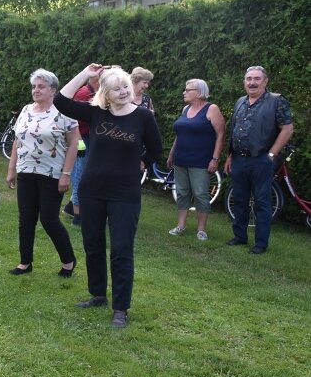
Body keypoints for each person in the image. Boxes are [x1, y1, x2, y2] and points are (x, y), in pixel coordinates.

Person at [56, 64, 162, 328]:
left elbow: (156, 148)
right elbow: (60, 100)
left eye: (126, 85)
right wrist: (84, 73)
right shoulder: (96, 113)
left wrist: (141, 163)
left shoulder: (142, 117)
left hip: (125, 193)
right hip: (92, 190)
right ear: (106, 92)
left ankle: (121, 308)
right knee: (93, 244)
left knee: (121, 249)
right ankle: (98, 294)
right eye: (117, 88)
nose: (124, 91)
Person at [6, 69, 78, 277]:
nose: (36, 90)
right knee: (26, 219)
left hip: (52, 174)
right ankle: (25, 263)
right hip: (26, 172)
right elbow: (18, 141)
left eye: (41, 86)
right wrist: (12, 169)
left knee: (49, 219)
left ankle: (68, 261)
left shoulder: (64, 112)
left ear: (53, 90)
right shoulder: (26, 110)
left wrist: (66, 174)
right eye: (34, 86)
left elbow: (74, 144)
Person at [224, 65, 294, 254]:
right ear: (244, 82)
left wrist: (271, 155)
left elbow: (287, 129)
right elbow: (235, 131)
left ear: (265, 81)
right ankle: (240, 236)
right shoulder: (240, 101)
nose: (252, 82)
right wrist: (230, 156)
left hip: (261, 160)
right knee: (239, 200)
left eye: (256, 79)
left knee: (262, 203)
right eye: (249, 79)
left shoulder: (276, 101)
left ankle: (260, 244)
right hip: (239, 160)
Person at [166, 79, 225, 240]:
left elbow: (221, 134)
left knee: (200, 194)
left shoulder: (211, 109)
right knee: (182, 193)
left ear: (198, 92)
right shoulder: (186, 109)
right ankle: (181, 225)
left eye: (187, 90)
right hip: (181, 160)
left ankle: (201, 230)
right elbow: (179, 135)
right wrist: (172, 154)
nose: (184, 92)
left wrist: (215, 158)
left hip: (200, 161)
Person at [63, 75, 99, 226]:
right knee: (80, 175)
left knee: (86, 174)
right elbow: (73, 120)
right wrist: (79, 143)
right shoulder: (84, 94)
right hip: (82, 139)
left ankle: (71, 207)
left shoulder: (97, 93)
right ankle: (78, 216)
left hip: (91, 138)